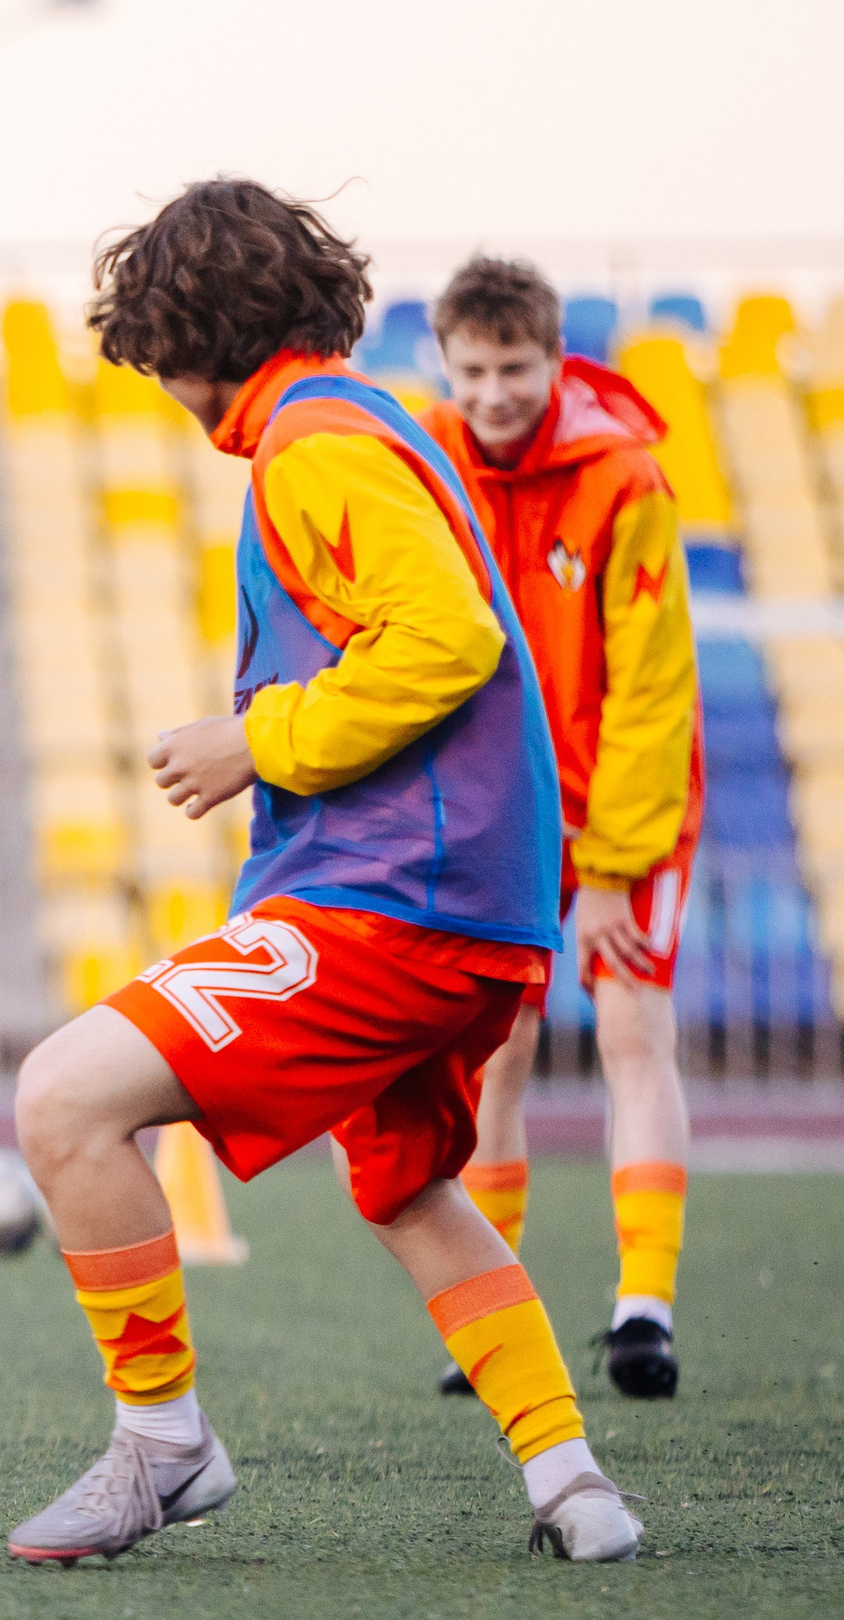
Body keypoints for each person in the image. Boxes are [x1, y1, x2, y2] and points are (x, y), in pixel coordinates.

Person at [3, 180, 641, 1564]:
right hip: (472, 907)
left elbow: (447, 638)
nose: (162, 390)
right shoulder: (370, 422)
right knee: (411, 1186)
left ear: (193, 336)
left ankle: (162, 1442)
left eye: (157, 355)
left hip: (389, 899)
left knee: (61, 1098)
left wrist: (256, 740)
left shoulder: (311, 443)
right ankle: (575, 1481)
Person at [420, 256, 701, 1401]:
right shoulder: (422, 460)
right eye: (473, 368)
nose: (493, 391)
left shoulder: (624, 480)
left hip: (623, 805)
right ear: (445, 361)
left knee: (631, 1027)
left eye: (515, 367)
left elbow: (650, 686)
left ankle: (645, 1308)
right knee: (496, 1057)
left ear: (553, 359)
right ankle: (496, 1315)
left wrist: (608, 864)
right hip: (501, 810)